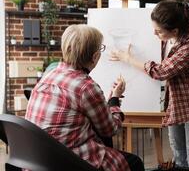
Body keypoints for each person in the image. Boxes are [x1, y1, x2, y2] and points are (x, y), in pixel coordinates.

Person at [110, 0, 189, 170]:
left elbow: (161, 72)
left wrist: (127, 58)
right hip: (176, 107)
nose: (154, 34)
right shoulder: (168, 40)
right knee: (179, 159)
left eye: (158, 31)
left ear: (174, 30)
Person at [25, 24, 144, 171]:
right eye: (101, 49)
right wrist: (114, 100)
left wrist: (110, 98)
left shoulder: (49, 75)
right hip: (68, 161)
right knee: (135, 162)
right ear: (94, 57)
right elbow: (110, 129)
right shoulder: (86, 87)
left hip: (38, 160)